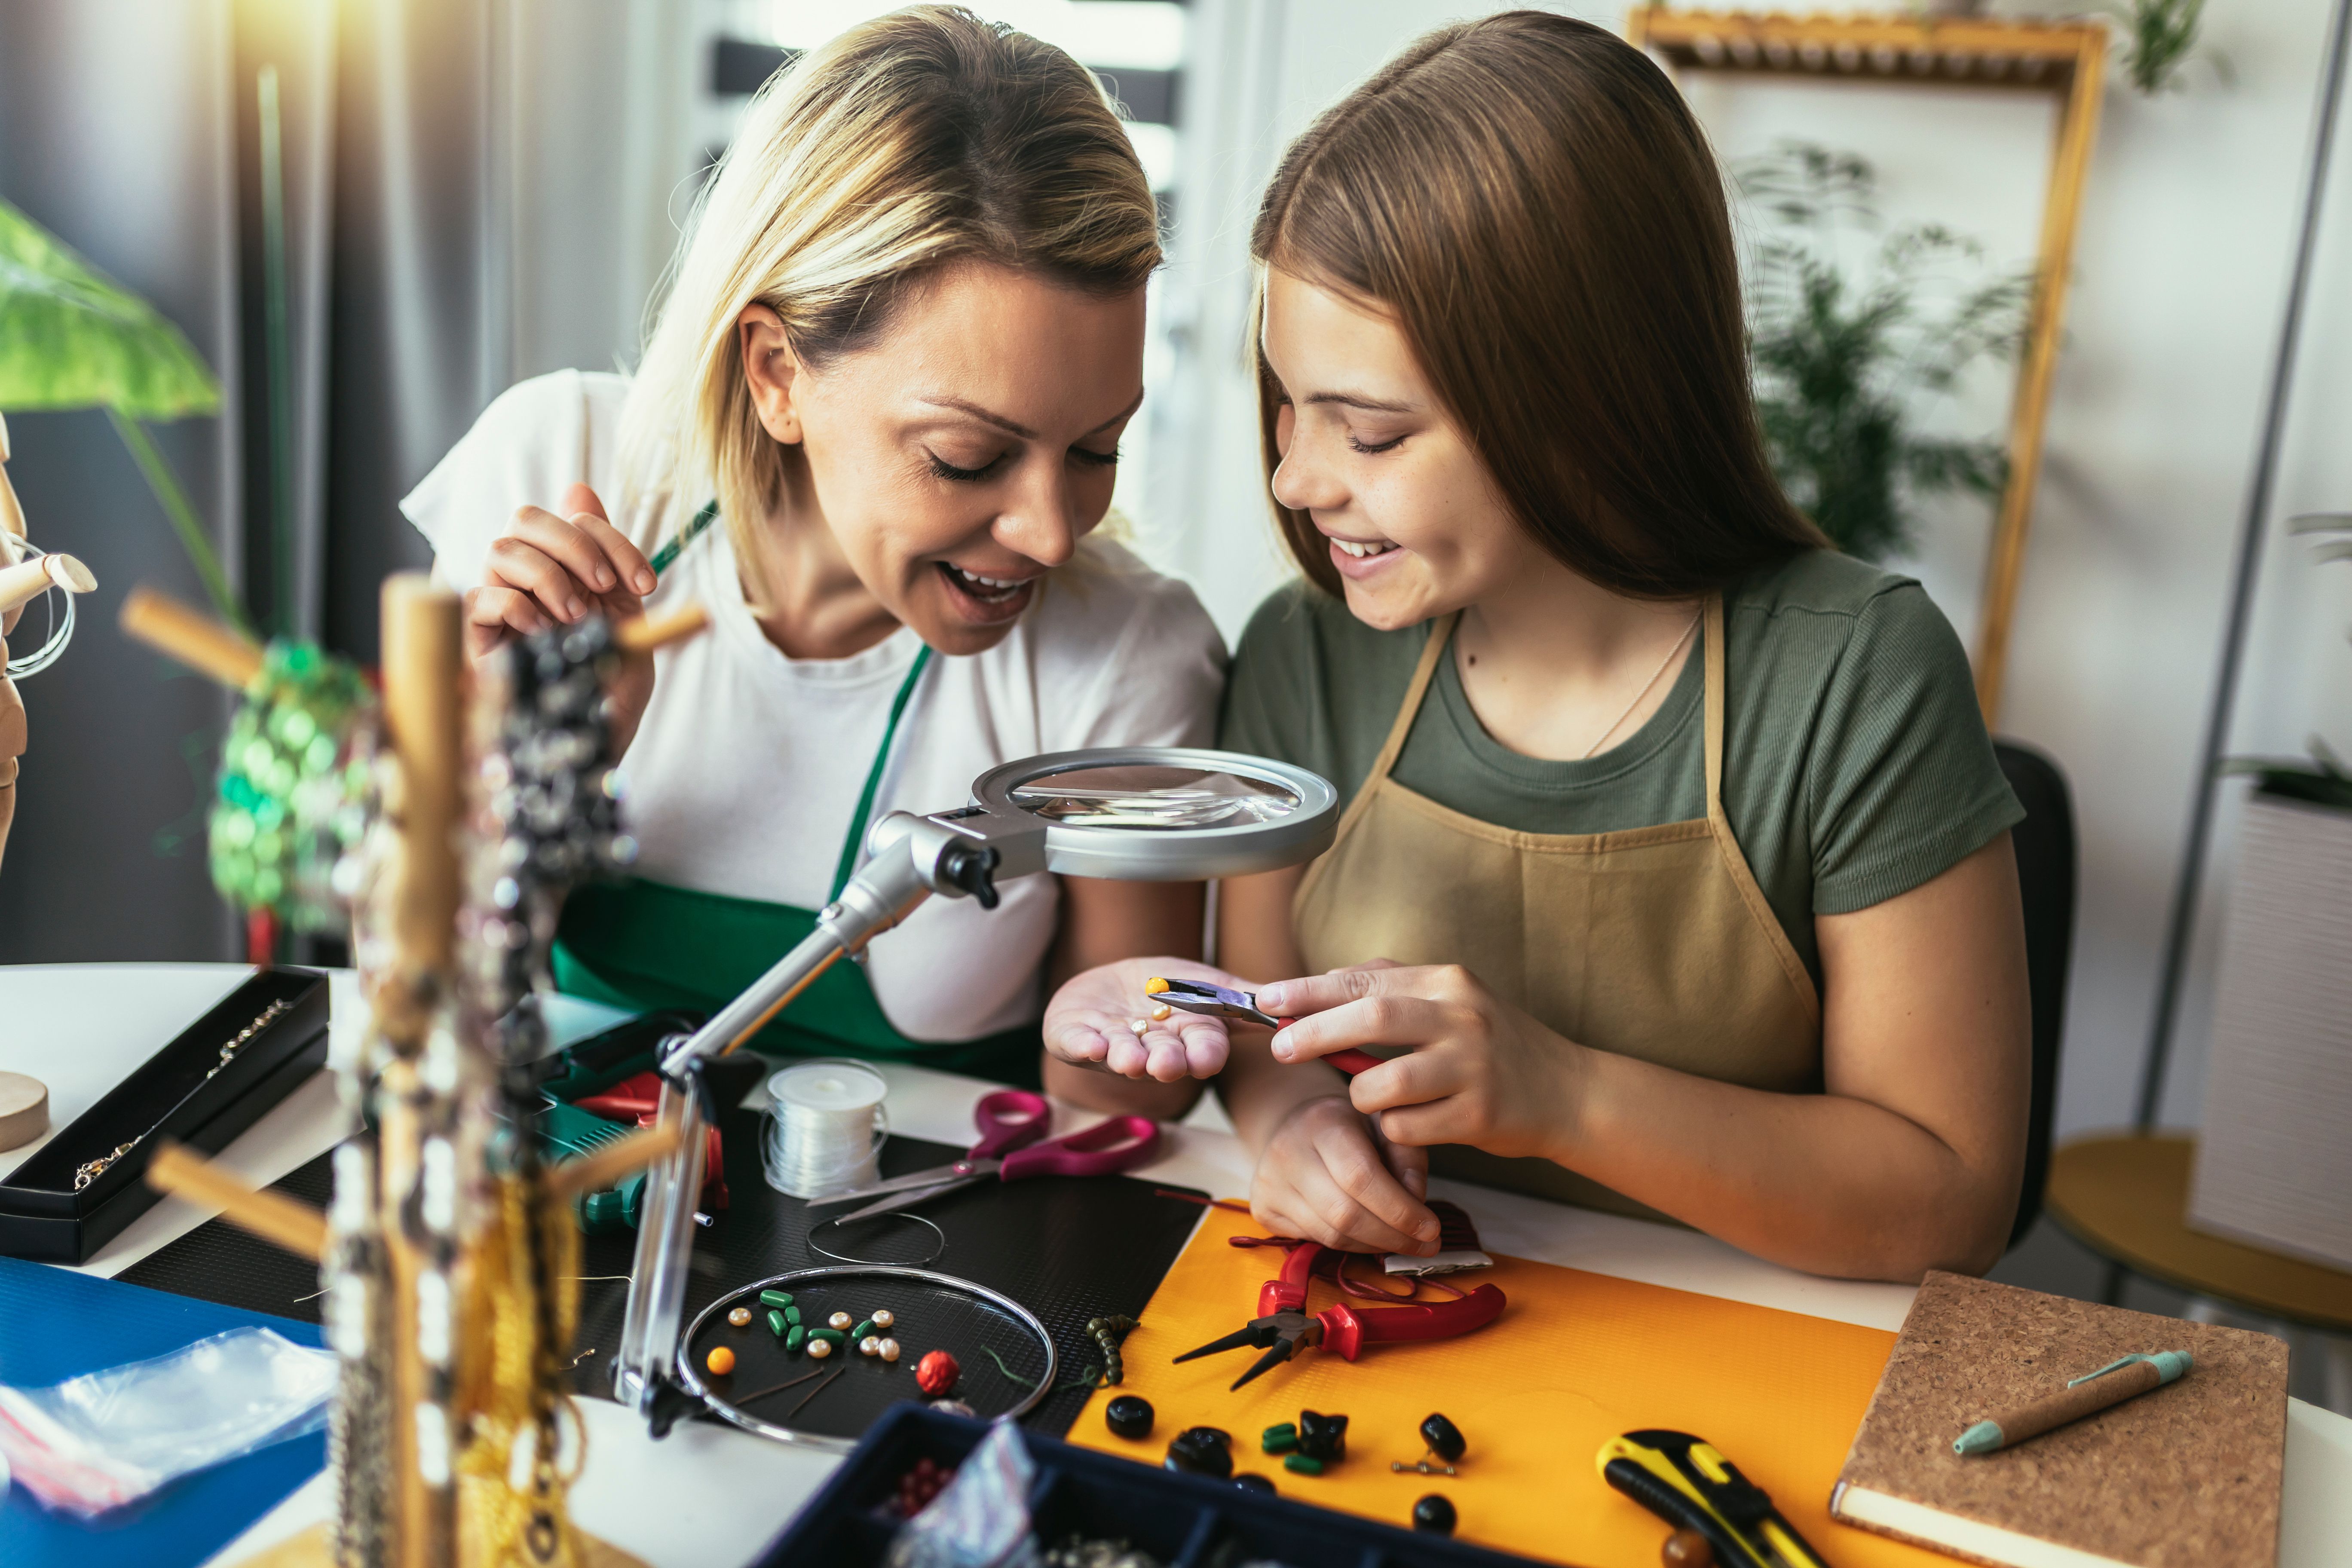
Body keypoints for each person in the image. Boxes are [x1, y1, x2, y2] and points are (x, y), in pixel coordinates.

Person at [1045, 12, 2030, 1283]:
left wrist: (1562, 1094)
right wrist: (1302, 1137)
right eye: (1288, 407)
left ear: (1583, 404)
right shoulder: (1309, 650)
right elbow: (1259, 1036)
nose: (1296, 480)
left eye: (1374, 434)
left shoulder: (1854, 673)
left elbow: (1948, 1199)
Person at [405, 8, 1222, 1104]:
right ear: (779, 372)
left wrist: (1119, 1055)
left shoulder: (1125, 656)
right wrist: (536, 774)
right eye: (967, 457)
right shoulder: (558, 468)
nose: (1050, 532)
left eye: (1097, 448)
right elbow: (415, 1005)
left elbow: (1134, 1130)